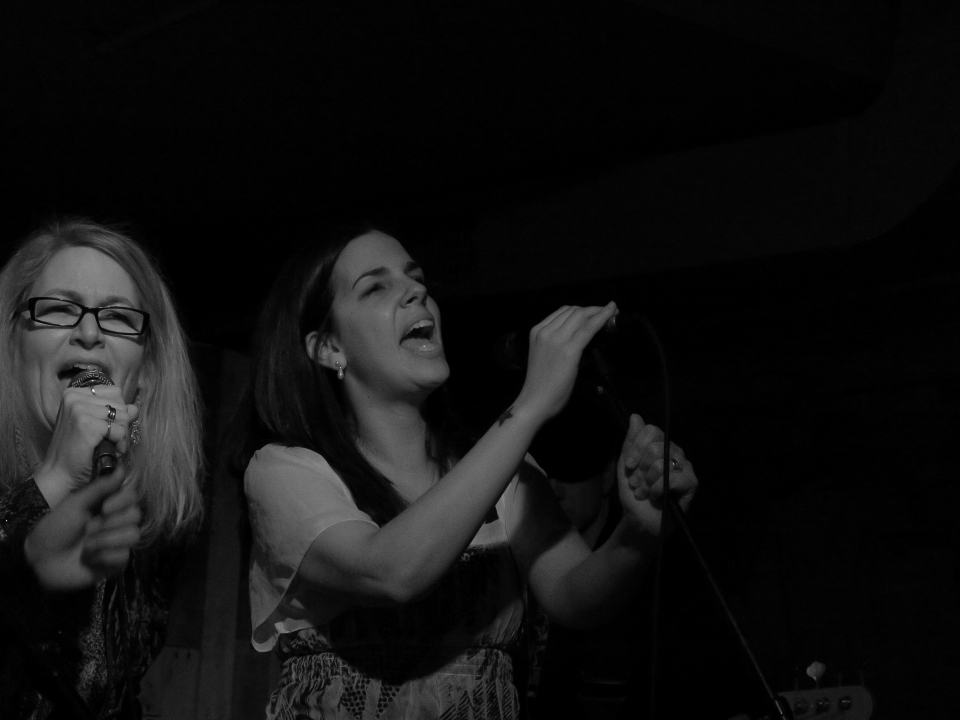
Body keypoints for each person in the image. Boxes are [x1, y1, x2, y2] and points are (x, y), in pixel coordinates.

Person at [236, 226, 697, 719]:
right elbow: (390, 572)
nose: (416, 292)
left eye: (417, 280)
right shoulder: (284, 471)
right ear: (329, 348)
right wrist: (531, 404)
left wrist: (637, 535)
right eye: (376, 287)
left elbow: (573, 597)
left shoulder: (499, 468)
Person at [0, 218, 205, 719]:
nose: (89, 332)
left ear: (146, 373)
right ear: (11, 343)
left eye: (117, 316)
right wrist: (52, 479)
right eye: (59, 309)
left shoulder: (154, 521)